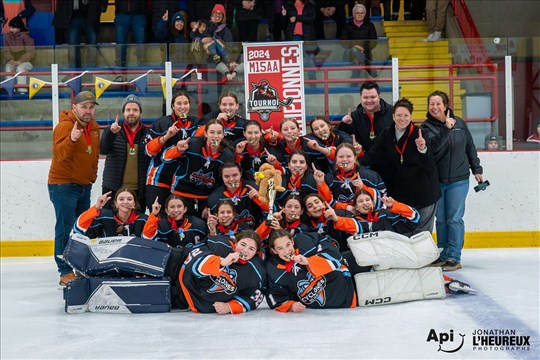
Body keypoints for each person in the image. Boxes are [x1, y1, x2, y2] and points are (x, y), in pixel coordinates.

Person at [420, 90, 484, 271]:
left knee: (454, 218)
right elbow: (433, 150)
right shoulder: (425, 128)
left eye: (438, 103)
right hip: (437, 181)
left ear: (446, 105)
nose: (434, 107)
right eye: (431, 104)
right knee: (441, 219)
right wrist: (446, 130)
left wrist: (476, 169)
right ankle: (443, 253)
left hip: (459, 179)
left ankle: (454, 257)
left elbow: (470, 147)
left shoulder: (460, 124)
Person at [361, 98, 440, 234]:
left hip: (424, 191)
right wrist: (357, 166)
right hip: (401, 192)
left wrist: (423, 149)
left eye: (405, 115)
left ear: (410, 116)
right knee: (404, 230)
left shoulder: (420, 134)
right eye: (398, 115)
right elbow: (373, 155)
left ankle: (424, 255)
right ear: (393, 116)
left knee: (422, 233)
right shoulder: (387, 133)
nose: (402, 119)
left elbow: (429, 163)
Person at [48, 91, 100, 286]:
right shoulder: (64, 126)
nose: (88, 110)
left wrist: (92, 177)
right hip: (63, 185)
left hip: (84, 186)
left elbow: (94, 154)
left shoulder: (94, 127)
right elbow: (59, 155)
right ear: (74, 107)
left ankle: (78, 266)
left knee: (80, 229)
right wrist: (71, 139)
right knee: (65, 228)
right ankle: (64, 270)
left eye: (91, 107)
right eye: (84, 106)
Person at [265, 229, 357, 312]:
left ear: (292, 241)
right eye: (280, 248)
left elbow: (335, 255)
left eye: (288, 245)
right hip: (323, 313)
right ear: (274, 251)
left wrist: (309, 261)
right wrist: (290, 305)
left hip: (351, 289)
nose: (286, 251)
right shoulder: (273, 269)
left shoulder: (306, 241)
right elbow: (274, 296)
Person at [178, 229, 267, 314]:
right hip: (182, 289)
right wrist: (221, 262)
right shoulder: (219, 244)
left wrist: (230, 306)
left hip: (205, 306)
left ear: (256, 253)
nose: (245, 250)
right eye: (243, 244)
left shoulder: (256, 270)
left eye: (251, 249)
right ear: (235, 243)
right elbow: (192, 263)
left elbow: (255, 295)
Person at [164, 119, 235, 217]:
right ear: (205, 133)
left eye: (219, 133)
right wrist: (178, 150)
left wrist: (211, 204)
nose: (215, 136)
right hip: (182, 192)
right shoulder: (192, 144)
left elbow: (224, 183)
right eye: (212, 132)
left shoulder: (227, 156)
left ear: (223, 135)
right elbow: (165, 158)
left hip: (206, 197)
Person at [145, 91, 202, 212]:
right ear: (172, 106)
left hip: (184, 181)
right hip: (160, 178)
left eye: (186, 103)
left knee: (185, 219)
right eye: (179, 103)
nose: (182, 107)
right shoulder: (162, 123)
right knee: (158, 218)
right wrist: (166, 137)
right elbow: (148, 151)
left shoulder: (197, 123)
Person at [100, 94, 150, 210]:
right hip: (114, 189)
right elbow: (103, 150)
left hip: (139, 191)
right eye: (128, 110)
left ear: (140, 113)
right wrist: (111, 133)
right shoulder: (113, 130)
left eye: (135, 110)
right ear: (123, 112)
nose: (131, 113)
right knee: (111, 224)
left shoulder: (148, 133)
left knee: (137, 226)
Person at [326, 189, 420, 235]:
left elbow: (414, 217)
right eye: (360, 201)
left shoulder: (385, 214)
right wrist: (336, 219)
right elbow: (354, 225)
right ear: (356, 208)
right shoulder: (356, 222)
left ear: (373, 204)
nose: (365, 203)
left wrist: (394, 205)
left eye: (367, 200)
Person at [336, 81, 394, 154]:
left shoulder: (393, 113)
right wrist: (343, 124)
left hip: (389, 162)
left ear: (379, 96)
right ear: (360, 98)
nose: (369, 101)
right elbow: (336, 136)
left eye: (373, 97)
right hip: (364, 162)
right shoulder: (353, 117)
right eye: (365, 97)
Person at [207, 161, 268, 228]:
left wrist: (260, 199)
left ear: (241, 174)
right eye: (226, 176)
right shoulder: (214, 198)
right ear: (221, 176)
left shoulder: (255, 188)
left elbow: (270, 212)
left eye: (235, 175)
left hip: (253, 234)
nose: (231, 179)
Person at [73, 188, 148, 238]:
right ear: (116, 203)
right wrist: (96, 208)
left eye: (129, 199)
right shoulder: (103, 217)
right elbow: (79, 229)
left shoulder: (144, 221)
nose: (125, 202)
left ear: (134, 203)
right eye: (121, 199)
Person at [52, 0, 108, 67]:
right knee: (73, 45)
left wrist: (101, 7)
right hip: (73, 17)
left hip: (91, 15)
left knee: (92, 44)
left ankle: (91, 70)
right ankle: (74, 72)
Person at [143, 194, 207, 248]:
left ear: (185, 209)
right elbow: (146, 238)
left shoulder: (198, 224)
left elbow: (207, 245)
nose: (176, 210)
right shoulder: (162, 225)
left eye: (179, 206)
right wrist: (154, 214)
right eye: (172, 207)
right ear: (166, 210)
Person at [341, 3, 378, 78]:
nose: (360, 14)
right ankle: (370, 69)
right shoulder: (347, 25)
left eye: (362, 13)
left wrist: (364, 48)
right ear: (353, 14)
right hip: (349, 53)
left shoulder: (370, 25)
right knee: (354, 50)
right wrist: (355, 46)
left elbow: (374, 42)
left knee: (356, 62)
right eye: (357, 13)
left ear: (365, 14)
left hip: (365, 52)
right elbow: (343, 42)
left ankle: (353, 85)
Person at [2, 16, 34, 94]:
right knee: (8, 67)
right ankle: (9, 90)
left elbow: (30, 52)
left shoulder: (26, 37)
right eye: (10, 27)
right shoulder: (7, 37)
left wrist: (21, 61)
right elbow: (6, 50)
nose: (11, 29)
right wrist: (11, 59)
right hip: (13, 61)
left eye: (13, 27)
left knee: (20, 68)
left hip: (26, 62)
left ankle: (22, 90)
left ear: (19, 28)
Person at [114, 0, 147, 66]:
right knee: (120, 42)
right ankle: (120, 67)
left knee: (141, 42)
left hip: (139, 14)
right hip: (121, 14)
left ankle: (142, 67)